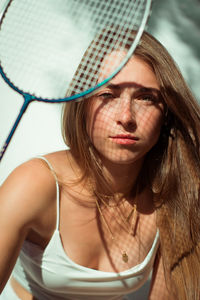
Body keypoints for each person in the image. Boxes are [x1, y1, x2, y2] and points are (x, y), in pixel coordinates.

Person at [0, 31, 200, 300]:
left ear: (166, 114)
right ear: (82, 105)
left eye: (146, 98)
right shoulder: (34, 184)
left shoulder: (174, 194)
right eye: (108, 94)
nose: (126, 117)